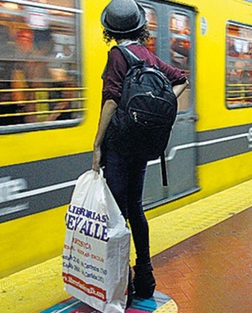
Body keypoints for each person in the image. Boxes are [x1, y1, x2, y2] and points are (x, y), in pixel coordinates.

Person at [93, 0, 189, 305]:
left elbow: (110, 100)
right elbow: (182, 80)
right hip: (142, 145)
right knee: (135, 207)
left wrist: (97, 144)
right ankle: (145, 276)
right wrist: (159, 106)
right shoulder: (147, 55)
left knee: (117, 215)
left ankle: (123, 284)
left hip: (119, 145)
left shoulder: (117, 56)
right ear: (140, 27)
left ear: (109, 29)